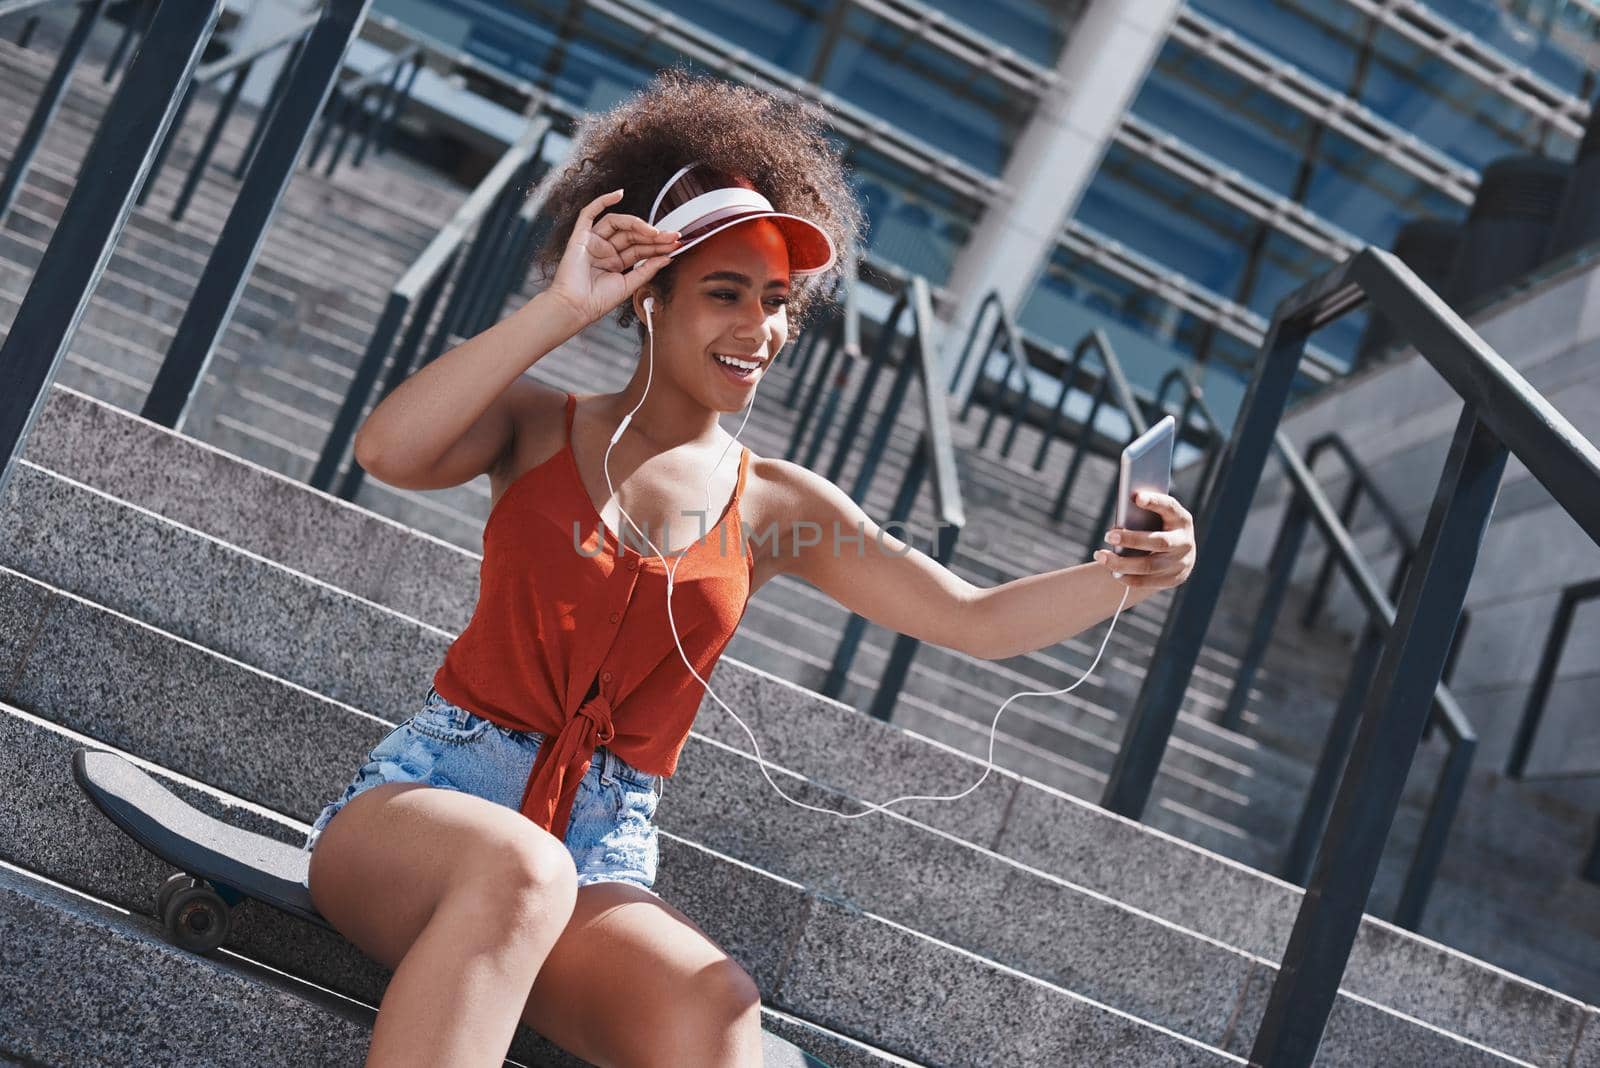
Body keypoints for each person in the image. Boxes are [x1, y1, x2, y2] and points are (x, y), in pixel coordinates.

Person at [300, 66, 1196, 1068]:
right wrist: (563, 305)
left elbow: (974, 621)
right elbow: (388, 450)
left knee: (717, 1010)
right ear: (649, 297)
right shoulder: (534, 427)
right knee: (518, 870)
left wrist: (1128, 571)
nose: (759, 329)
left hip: (598, 848)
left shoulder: (777, 506)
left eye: (777, 301)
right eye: (725, 293)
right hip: (433, 801)